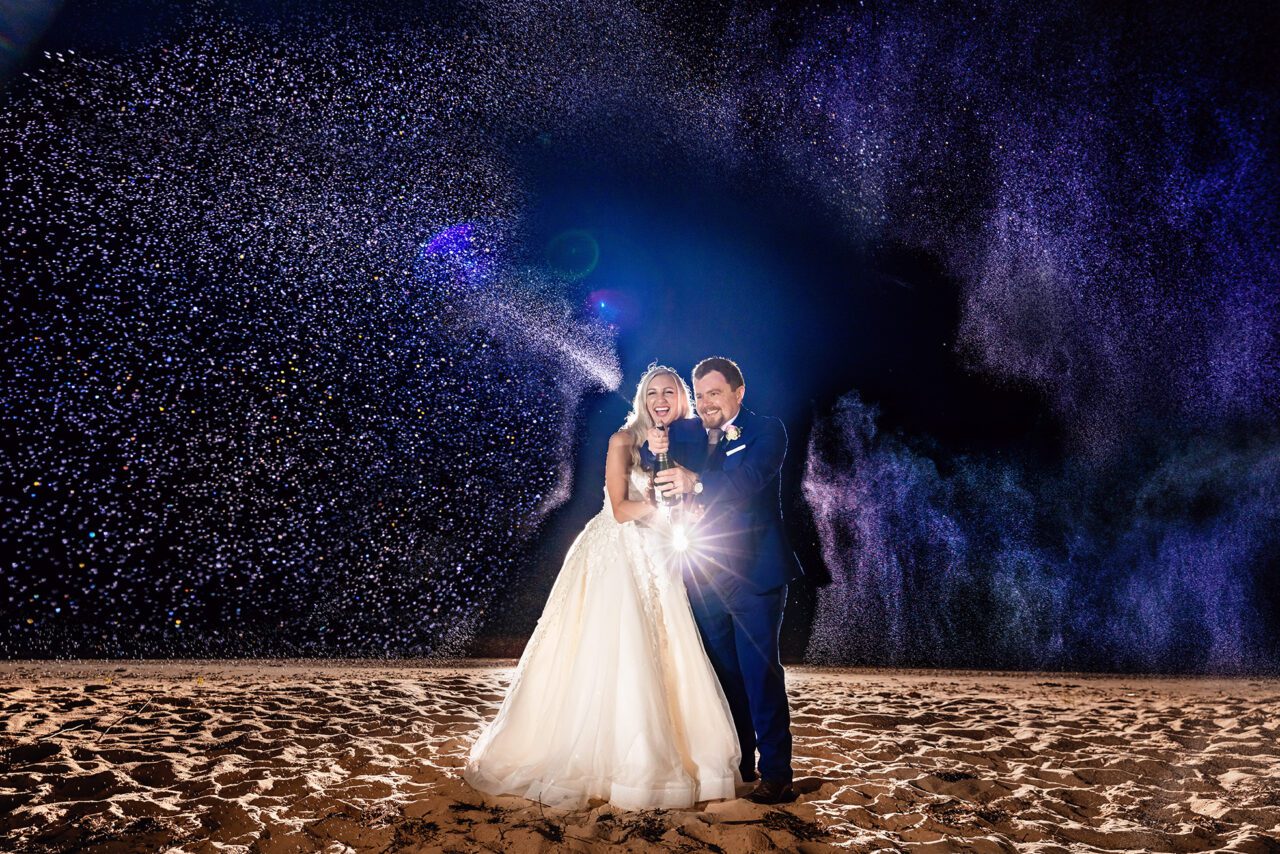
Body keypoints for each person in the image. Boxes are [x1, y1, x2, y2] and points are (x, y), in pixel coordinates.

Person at [464, 365, 741, 811]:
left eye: (670, 391)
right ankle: (613, 764)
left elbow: (694, 501)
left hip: (658, 557)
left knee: (667, 651)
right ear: (642, 400)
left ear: (682, 399)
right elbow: (618, 509)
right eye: (653, 393)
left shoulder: (688, 441)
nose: (661, 399)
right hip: (617, 552)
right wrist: (658, 496)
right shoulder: (623, 441)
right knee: (615, 652)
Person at [645, 356, 803, 805]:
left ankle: (778, 774)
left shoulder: (767, 431)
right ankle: (741, 764)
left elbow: (747, 481)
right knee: (724, 676)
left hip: (755, 573)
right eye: (700, 396)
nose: (706, 403)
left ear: (738, 392)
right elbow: (649, 454)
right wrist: (657, 438)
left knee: (760, 673)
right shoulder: (690, 432)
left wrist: (695, 483)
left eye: (715, 393)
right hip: (702, 573)